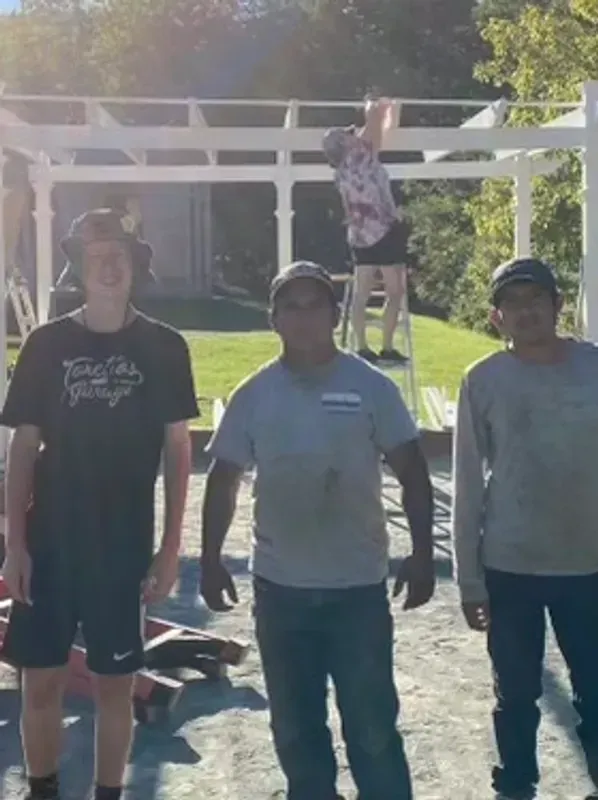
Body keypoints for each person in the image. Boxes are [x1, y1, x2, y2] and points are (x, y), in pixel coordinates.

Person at [200, 260, 435, 800]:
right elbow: (224, 478)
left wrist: (422, 553)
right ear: (273, 318)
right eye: (291, 306)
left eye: (315, 305)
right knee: (296, 731)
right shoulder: (253, 394)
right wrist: (210, 559)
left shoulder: (371, 387)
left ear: (334, 314)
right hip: (280, 593)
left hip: (357, 590)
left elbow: (412, 471)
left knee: (373, 730)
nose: (304, 317)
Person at [0, 208, 199, 800]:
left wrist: (169, 549)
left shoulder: (165, 347)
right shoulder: (45, 344)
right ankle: (43, 790)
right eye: (95, 257)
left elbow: (178, 449)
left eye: (119, 255)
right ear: (79, 268)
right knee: (42, 683)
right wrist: (14, 546)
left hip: (123, 546)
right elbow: (23, 446)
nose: (108, 266)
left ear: (135, 265)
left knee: (116, 686)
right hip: (50, 545)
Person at [452, 257, 598, 800]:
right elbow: (468, 486)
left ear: (559, 306)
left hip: (588, 563)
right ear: (496, 317)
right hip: (511, 565)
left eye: (537, 298)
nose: (526, 310)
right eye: (513, 302)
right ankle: (516, 785)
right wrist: (470, 580)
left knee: (597, 691)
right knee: (515, 694)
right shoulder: (483, 381)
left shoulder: (594, 368)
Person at [323, 96, 411, 366]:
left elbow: (369, 135)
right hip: (383, 230)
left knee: (361, 293)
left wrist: (376, 116)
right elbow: (372, 127)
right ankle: (386, 347)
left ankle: (361, 347)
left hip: (359, 236)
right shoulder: (361, 156)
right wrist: (375, 107)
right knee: (395, 291)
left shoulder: (341, 171)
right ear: (345, 145)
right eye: (349, 135)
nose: (354, 135)